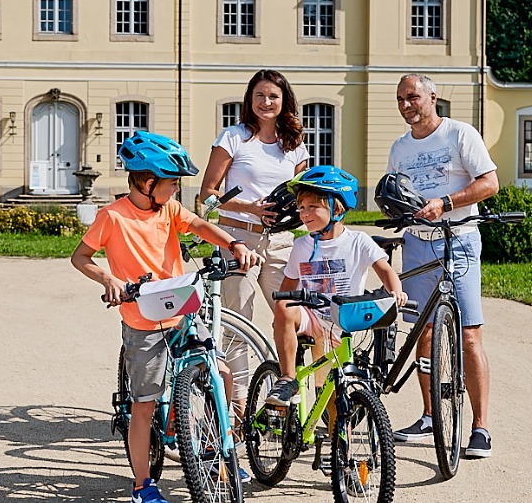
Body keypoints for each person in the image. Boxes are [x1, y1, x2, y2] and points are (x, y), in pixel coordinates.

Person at [71, 130, 261, 503]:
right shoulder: (112, 217)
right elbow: (81, 257)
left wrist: (235, 244)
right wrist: (109, 279)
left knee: (220, 373)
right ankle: (142, 486)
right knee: (143, 405)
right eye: (172, 182)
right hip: (142, 319)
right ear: (147, 181)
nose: (176, 190)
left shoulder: (170, 211)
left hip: (181, 310)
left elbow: (201, 227)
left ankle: (213, 453)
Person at [385, 73, 499, 459]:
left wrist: (447, 204)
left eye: (413, 97)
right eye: (400, 99)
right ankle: (430, 416)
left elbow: (490, 183)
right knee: (424, 333)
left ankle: (480, 427)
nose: (406, 105)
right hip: (418, 244)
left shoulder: (460, 134)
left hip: (459, 239)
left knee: (468, 335)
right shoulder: (399, 149)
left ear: (433, 97)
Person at [199, 69, 309, 420]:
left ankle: (289, 392)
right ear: (250, 100)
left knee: (292, 315)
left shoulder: (294, 146)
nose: (266, 102)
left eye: (273, 96)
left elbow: (301, 196)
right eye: (260, 95)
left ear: (283, 101)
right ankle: (238, 406)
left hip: (280, 242)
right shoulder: (233, 138)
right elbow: (207, 196)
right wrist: (250, 207)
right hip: (237, 239)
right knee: (237, 321)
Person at [266, 166, 407, 409]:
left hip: (340, 320)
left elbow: (384, 269)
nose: (304, 213)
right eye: (301, 208)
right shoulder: (301, 245)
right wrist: (284, 317)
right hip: (311, 316)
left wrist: (396, 290)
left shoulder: (357, 241)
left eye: (312, 207)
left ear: (337, 207)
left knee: (333, 403)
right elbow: (287, 287)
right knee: (284, 306)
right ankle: (288, 379)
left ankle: (343, 444)